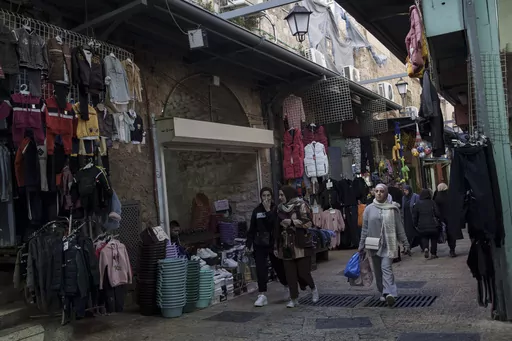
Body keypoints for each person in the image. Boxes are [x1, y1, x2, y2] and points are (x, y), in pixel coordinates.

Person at [358, 184, 410, 307]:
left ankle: (389, 293)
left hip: (389, 244)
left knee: (386, 267)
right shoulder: (369, 209)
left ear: (386, 193)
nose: (379, 193)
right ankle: (382, 291)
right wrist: (361, 245)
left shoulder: (392, 209)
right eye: (376, 191)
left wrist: (405, 243)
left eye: (381, 191)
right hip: (373, 244)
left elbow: (399, 228)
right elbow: (364, 229)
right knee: (377, 270)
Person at [275, 185, 318, 308]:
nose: (280, 197)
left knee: (303, 272)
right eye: (279, 195)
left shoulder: (301, 205)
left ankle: (313, 289)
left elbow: (309, 222)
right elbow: (276, 228)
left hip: (301, 244)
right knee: (290, 274)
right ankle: (294, 298)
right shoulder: (279, 209)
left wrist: (292, 222)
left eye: (282, 195)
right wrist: (276, 245)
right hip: (286, 244)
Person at [247, 187, 290, 307]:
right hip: (259, 244)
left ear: (271, 196)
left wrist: (267, 211)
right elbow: (252, 229)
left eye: (268, 195)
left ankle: (287, 286)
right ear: (261, 197)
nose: (266, 198)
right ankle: (262, 294)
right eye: (264, 196)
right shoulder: (256, 211)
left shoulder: (276, 209)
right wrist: (248, 244)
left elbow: (274, 224)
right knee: (261, 269)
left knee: (278, 267)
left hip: (273, 243)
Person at [434, 183, 462, 257]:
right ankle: (452, 249)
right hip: (452, 217)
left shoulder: (437, 197)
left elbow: (436, 209)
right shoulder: (450, 195)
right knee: (452, 234)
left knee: (445, 233)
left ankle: (450, 247)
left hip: (442, 219)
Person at [412, 189, 441, 259]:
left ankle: (425, 248)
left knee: (424, 237)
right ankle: (433, 253)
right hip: (433, 225)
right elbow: (437, 213)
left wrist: (415, 224)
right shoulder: (432, 202)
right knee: (434, 238)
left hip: (422, 225)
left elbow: (415, 216)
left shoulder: (418, 203)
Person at [401, 185, 421, 250]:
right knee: (408, 233)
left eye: (406, 190)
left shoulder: (415, 196)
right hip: (407, 218)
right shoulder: (403, 198)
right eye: (404, 191)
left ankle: (422, 245)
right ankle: (407, 247)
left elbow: (418, 205)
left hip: (413, 216)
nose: (405, 192)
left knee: (416, 231)